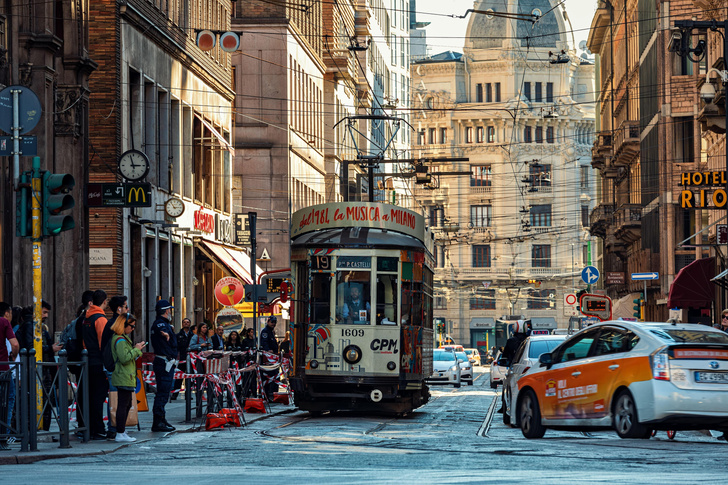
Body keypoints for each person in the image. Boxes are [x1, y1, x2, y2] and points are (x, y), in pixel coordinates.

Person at [110, 313, 145, 443]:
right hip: (123, 375)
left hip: (126, 375)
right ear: (123, 325)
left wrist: (137, 349)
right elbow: (124, 358)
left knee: (127, 404)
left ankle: (122, 431)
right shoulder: (119, 340)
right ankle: (120, 432)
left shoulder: (122, 339)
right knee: (123, 404)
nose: (133, 329)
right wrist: (136, 349)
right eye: (131, 326)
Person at [81, 290, 110, 440]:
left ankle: (90, 428)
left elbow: (85, 342)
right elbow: (103, 343)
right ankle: (99, 429)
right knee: (98, 398)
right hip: (98, 362)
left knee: (91, 397)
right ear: (104, 302)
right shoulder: (100, 319)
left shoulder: (86, 318)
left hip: (88, 361)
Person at [150, 299, 177, 432]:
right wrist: (167, 334)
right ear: (166, 311)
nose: (171, 312)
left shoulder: (162, 324)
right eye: (170, 310)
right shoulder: (161, 325)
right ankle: (158, 421)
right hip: (164, 361)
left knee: (164, 392)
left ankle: (161, 419)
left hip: (165, 361)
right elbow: (167, 339)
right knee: (162, 393)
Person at [0, 302, 19, 450]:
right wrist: (14, 356)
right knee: (7, 400)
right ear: (7, 313)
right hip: (3, 369)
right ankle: (3, 438)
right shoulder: (4, 322)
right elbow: (15, 344)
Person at [40, 300, 62, 432]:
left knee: (47, 401)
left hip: (46, 369)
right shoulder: (35, 328)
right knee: (45, 400)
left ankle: (44, 428)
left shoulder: (43, 329)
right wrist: (50, 348)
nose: (46, 316)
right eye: (44, 312)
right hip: (41, 370)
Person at [173, 318, 194, 400]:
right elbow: (175, 347)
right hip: (181, 359)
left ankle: (188, 394)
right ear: (182, 324)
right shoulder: (178, 335)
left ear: (190, 324)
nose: (186, 324)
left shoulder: (192, 335)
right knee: (179, 377)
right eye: (184, 322)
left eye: (188, 322)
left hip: (191, 359)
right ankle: (175, 394)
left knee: (190, 378)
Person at [259, 316, 279, 401]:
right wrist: (268, 351)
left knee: (274, 376)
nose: (273, 324)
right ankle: (267, 394)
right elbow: (265, 343)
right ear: (268, 322)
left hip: (273, 359)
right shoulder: (265, 332)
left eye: (274, 322)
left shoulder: (271, 332)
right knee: (267, 377)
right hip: (267, 360)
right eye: (272, 322)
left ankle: (273, 394)